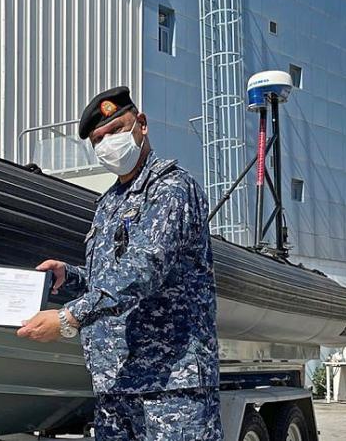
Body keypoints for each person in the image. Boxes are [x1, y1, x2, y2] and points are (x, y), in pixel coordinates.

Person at [18, 86, 222, 440]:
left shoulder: (170, 188)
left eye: (115, 130)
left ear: (141, 124)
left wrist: (69, 318)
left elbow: (144, 270)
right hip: (115, 382)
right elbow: (108, 277)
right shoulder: (109, 202)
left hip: (170, 383)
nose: (107, 143)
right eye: (98, 139)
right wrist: (70, 275)